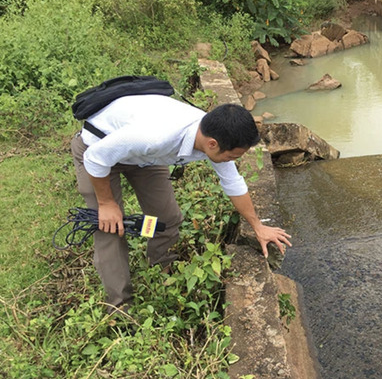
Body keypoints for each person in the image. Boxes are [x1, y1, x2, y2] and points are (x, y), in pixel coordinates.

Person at [70, 94, 291, 312]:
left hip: (144, 158)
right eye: (232, 157)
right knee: (110, 228)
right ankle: (120, 306)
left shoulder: (214, 135)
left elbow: (233, 183)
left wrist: (258, 227)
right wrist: (107, 204)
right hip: (98, 150)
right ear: (212, 144)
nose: (232, 161)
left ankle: (160, 271)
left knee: (166, 219)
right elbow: (96, 158)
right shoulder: (154, 137)